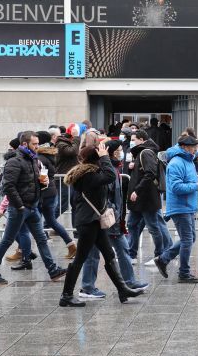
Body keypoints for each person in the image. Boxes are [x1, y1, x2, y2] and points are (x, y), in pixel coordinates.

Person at [59, 142, 145, 306]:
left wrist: (103, 158)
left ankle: (122, 289)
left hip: (94, 221)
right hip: (88, 222)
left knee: (109, 255)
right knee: (80, 258)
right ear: (97, 158)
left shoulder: (90, 172)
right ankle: (66, 296)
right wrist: (105, 156)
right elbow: (110, 176)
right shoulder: (88, 175)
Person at [0, 132, 67, 286]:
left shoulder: (32, 159)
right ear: (24, 144)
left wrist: (43, 183)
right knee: (8, 240)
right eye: (34, 144)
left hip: (33, 206)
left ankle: (52, 269)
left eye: (37, 143)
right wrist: (20, 205)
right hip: (20, 208)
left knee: (42, 239)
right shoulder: (15, 161)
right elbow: (8, 186)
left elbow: (33, 182)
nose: (37, 146)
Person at [151, 135, 198, 282]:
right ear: (184, 147)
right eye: (193, 147)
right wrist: (196, 186)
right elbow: (175, 187)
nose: (196, 149)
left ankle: (163, 259)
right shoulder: (176, 163)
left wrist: (197, 185)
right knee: (187, 240)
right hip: (180, 207)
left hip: (187, 206)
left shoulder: (188, 161)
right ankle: (184, 273)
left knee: (190, 238)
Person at [125, 130, 172, 263]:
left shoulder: (145, 152)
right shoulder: (142, 152)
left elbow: (150, 173)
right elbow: (142, 173)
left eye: (134, 139)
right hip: (140, 198)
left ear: (141, 139)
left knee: (153, 226)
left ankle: (159, 255)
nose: (132, 142)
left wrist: (137, 190)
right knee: (133, 224)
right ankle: (131, 254)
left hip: (146, 197)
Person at [35, 132, 77, 259]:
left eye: (36, 143)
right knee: (50, 221)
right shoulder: (47, 155)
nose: (34, 146)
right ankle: (70, 245)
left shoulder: (41, 158)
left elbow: (43, 177)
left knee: (28, 224)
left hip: (42, 194)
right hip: (47, 193)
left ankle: (25, 253)